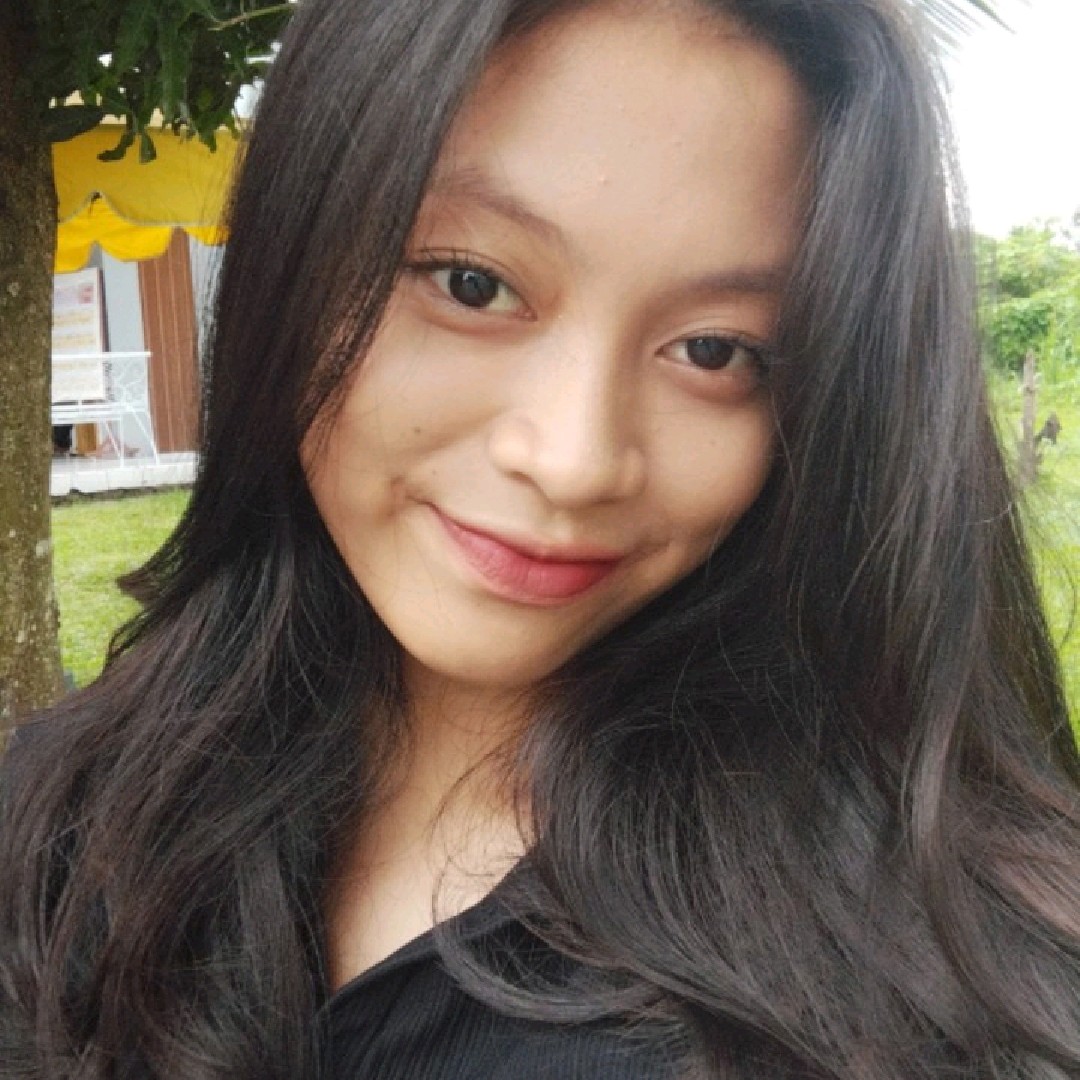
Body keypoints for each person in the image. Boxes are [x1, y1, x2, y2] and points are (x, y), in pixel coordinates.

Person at [2, 0, 1079, 1077]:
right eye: (472, 284)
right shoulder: (66, 813)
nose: (573, 460)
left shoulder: (924, 979)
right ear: (295, 254)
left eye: (716, 350)